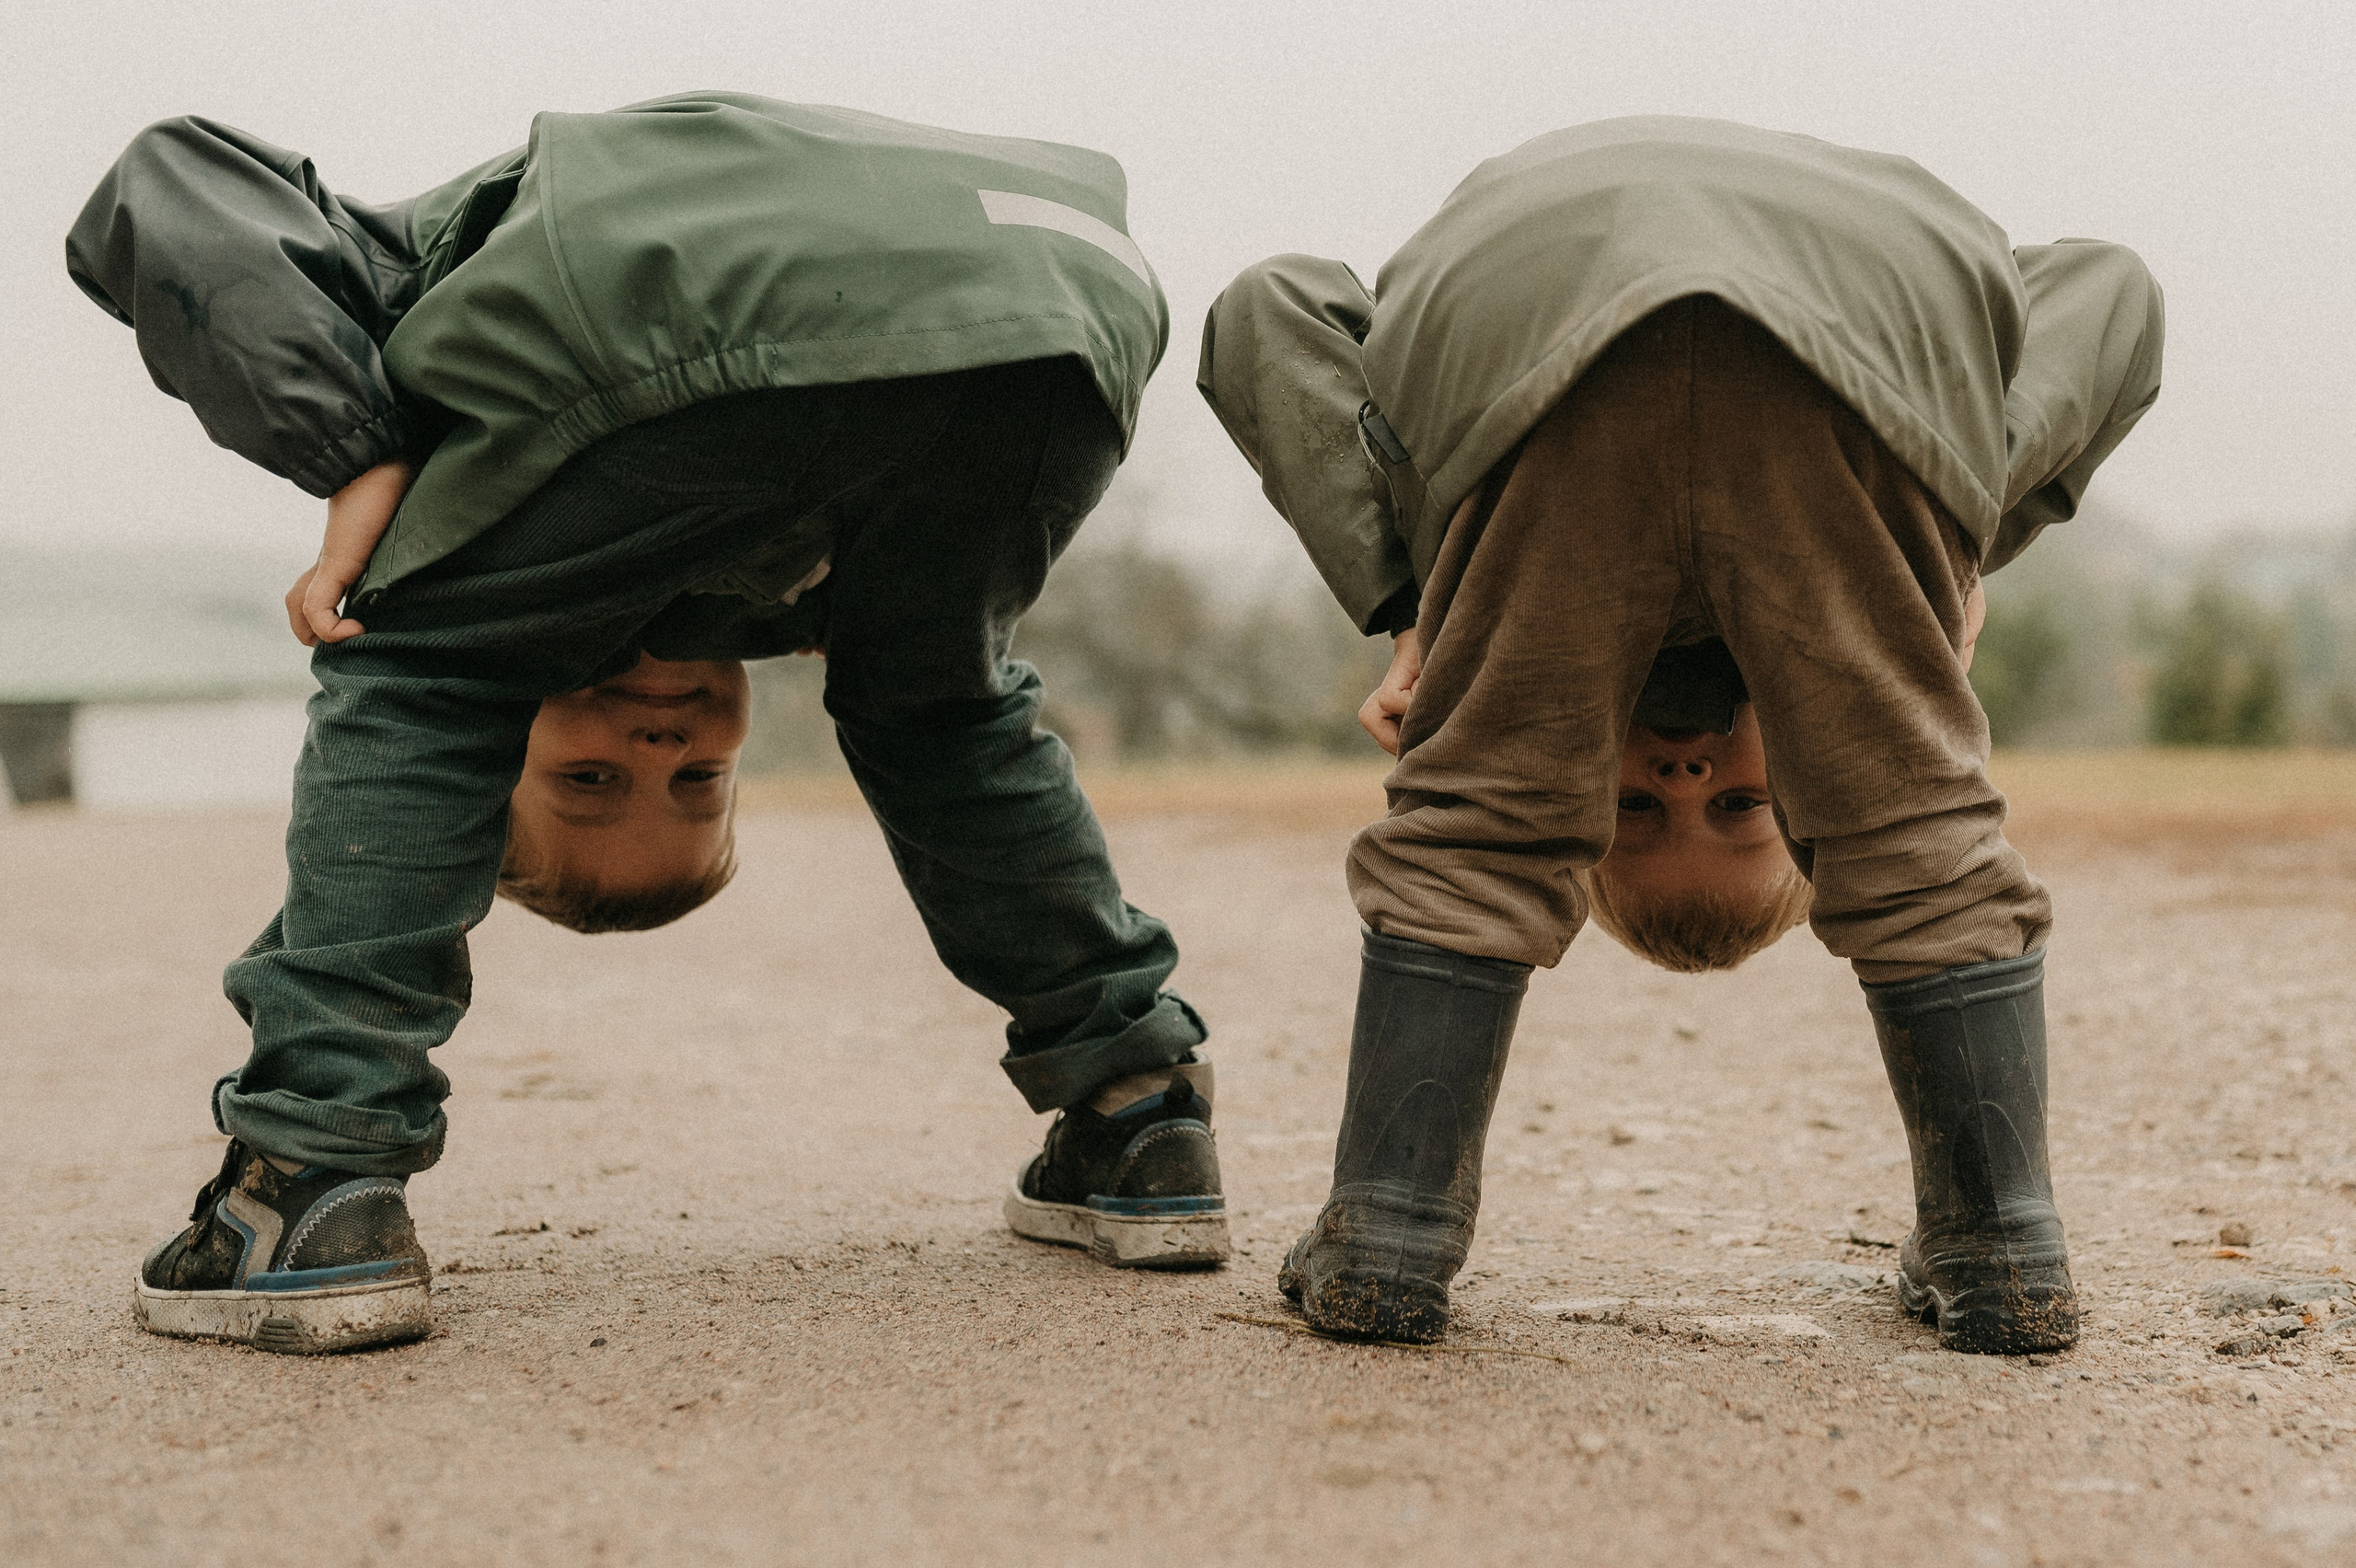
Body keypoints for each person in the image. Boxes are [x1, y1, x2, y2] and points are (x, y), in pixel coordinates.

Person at [69, 91, 1229, 1355]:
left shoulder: (430, 350)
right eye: (696, 784)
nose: (659, 750)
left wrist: (357, 448)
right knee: (933, 704)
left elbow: (168, 179)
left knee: (418, 655)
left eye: (588, 780)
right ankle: (1133, 1104)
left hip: (1025, 302)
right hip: (1056, 295)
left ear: (476, 788)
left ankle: (307, 1175)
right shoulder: (777, 574)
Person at [1198, 116, 2162, 1350]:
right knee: (1907, 830)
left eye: (1635, 812)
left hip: (1562, 332)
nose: (1688, 771)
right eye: (1736, 809)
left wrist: (1414, 601)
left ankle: (1391, 1230)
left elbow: (1268, 305)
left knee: (1484, 826)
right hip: (1831, 341)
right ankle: (1997, 1242)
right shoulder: (1882, 582)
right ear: (1802, 806)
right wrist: (1954, 528)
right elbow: (2110, 286)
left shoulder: (1482, 591)